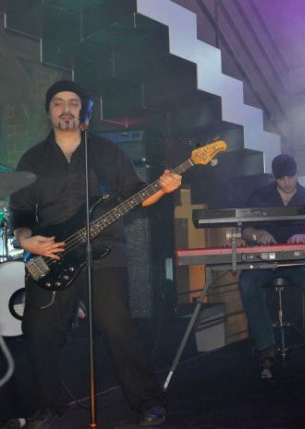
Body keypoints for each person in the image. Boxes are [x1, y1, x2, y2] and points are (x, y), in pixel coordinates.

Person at [8, 80, 182, 427]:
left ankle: (146, 401)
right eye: (58, 103)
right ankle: (47, 406)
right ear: (49, 111)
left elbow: (137, 194)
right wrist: (26, 240)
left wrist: (163, 188)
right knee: (38, 331)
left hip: (104, 253)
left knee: (118, 327)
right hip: (51, 254)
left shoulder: (106, 152)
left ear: (83, 111)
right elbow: (21, 210)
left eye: (73, 103)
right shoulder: (33, 158)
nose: (66, 109)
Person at [237, 154, 305, 380]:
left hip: (299, 262)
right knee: (247, 283)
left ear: (297, 173)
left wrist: (304, 237)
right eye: (281, 178)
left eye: (290, 177)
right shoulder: (259, 195)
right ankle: (266, 349)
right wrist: (258, 234)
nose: (287, 182)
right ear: (274, 177)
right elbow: (245, 230)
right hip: (265, 260)